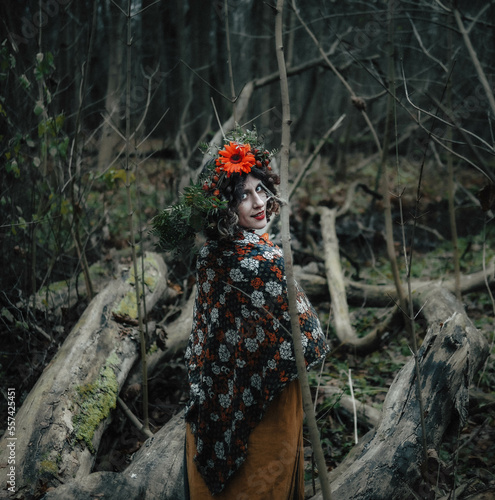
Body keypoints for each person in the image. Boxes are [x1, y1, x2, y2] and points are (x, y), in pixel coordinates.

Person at [153, 132, 329, 499]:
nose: (258, 202)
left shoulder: (257, 250)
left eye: (261, 189)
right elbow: (214, 335)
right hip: (249, 392)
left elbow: (298, 328)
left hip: (273, 386)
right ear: (222, 206)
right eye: (243, 195)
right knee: (253, 479)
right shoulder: (222, 259)